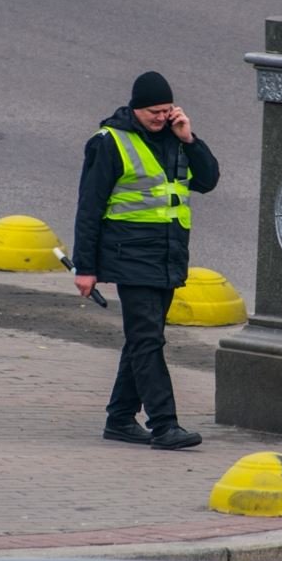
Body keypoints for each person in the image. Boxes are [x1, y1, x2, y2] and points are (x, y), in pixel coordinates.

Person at [72, 71, 220, 450]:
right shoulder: (109, 143)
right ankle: (164, 425)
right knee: (147, 341)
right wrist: (84, 267)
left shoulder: (176, 138)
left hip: (168, 255)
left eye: (167, 110)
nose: (161, 117)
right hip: (129, 256)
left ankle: (120, 418)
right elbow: (89, 208)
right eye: (155, 111)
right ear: (137, 108)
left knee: (144, 340)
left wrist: (190, 138)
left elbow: (207, 180)